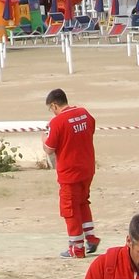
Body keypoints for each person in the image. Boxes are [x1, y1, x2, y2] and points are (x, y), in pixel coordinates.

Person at [44, 87, 99, 260]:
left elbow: (49, 148)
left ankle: (77, 247)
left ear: (54, 105)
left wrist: (43, 139)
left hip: (70, 173)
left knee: (70, 209)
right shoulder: (84, 113)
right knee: (83, 203)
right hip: (87, 168)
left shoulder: (57, 122)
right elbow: (90, 130)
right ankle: (90, 237)